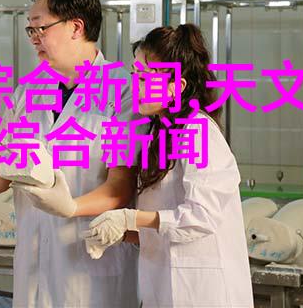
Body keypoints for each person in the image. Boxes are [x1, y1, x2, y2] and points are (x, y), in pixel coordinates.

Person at [0, 0, 139, 307]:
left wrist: (70, 208)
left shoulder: (124, 91)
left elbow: (120, 187)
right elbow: (2, 175)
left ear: (76, 27)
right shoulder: (28, 92)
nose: (33, 39)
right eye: (30, 30)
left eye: (40, 28)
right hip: (34, 264)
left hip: (90, 269)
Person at [86, 25, 254, 307]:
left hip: (204, 294)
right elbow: (165, 225)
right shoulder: (158, 132)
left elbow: (199, 217)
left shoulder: (198, 131)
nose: (135, 86)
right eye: (134, 75)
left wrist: (130, 218)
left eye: (145, 78)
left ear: (177, 86)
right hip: (164, 288)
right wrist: (121, 233)